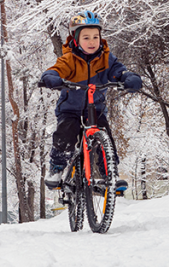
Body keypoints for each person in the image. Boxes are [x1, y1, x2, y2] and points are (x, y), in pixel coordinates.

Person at [40, 10, 142, 192]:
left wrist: (129, 78)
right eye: (86, 37)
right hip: (70, 109)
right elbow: (56, 70)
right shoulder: (69, 59)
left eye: (96, 36)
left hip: (96, 110)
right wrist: (51, 77)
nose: (92, 41)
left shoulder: (106, 59)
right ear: (76, 39)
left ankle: (110, 174)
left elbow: (119, 71)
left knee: (105, 138)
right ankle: (56, 167)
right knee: (65, 134)